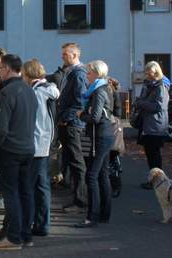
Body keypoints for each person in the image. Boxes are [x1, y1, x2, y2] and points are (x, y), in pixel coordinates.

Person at [0, 54, 38, 251]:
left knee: (11, 194)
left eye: (0, 69)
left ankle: (14, 238)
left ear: (7, 69)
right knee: (25, 192)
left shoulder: (6, 93)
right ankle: (25, 235)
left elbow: (0, 129)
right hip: (27, 148)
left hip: (10, 149)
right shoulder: (29, 90)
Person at [74, 60, 115, 228]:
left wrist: (81, 114)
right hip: (105, 135)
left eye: (89, 73)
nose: (87, 76)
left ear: (97, 74)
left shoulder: (98, 91)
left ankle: (92, 216)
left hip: (100, 136)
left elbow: (95, 117)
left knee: (92, 176)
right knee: (102, 175)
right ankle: (105, 214)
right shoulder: (105, 88)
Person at [22, 59, 59, 237]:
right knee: (42, 186)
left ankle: (29, 224)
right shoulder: (49, 89)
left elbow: (33, 121)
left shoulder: (36, 93)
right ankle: (42, 223)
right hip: (45, 142)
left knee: (30, 186)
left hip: (35, 143)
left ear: (29, 75)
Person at [56, 43, 88, 212]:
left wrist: (65, 119)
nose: (62, 57)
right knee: (72, 161)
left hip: (72, 125)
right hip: (68, 123)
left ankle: (80, 200)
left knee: (77, 162)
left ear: (74, 55)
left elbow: (79, 102)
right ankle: (76, 197)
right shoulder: (71, 73)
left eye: (65, 54)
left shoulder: (79, 74)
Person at [130, 61, 170, 189]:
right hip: (148, 123)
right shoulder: (148, 84)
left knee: (154, 154)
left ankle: (158, 181)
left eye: (150, 73)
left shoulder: (161, 86)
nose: (147, 75)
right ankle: (154, 180)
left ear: (156, 72)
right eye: (146, 73)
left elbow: (159, 106)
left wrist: (141, 103)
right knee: (150, 153)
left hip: (155, 125)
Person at [107, 77, 124, 198]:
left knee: (112, 157)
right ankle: (115, 184)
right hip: (114, 128)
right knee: (113, 157)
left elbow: (117, 113)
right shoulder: (114, 93)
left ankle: (115, 185)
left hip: (112, 127)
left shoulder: (112, 93)